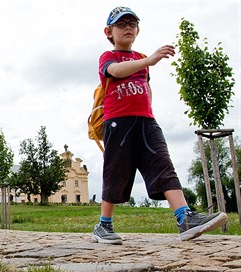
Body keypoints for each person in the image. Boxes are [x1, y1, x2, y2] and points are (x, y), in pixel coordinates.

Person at [93, 6, 227, 245]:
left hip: (146, 122)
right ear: (109, 31)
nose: (127, 28)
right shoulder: (109, 57)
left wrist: (148, 112)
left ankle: (184, 217)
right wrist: (150, 59)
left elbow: (147, 89)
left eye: (132, 24)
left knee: (163, 164)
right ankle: (104, 225)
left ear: (138, 29)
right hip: (118, 123)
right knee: (116, 171)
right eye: (121, 25)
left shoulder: (142, 61)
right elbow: (115, 71)